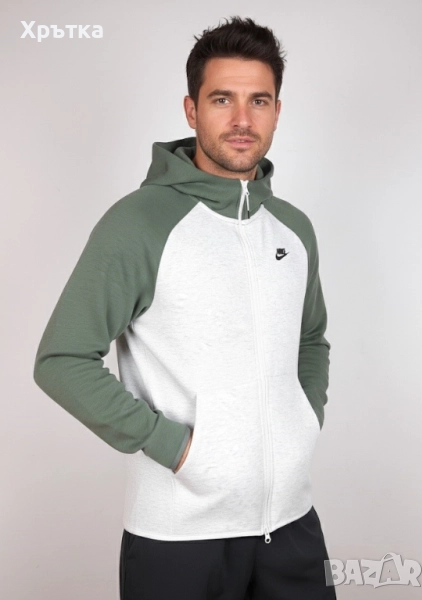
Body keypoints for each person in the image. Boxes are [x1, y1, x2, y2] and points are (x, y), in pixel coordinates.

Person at [33, 15, 336, 600]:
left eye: (259, 101)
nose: (242, 119)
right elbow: (61, 359)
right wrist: (178, 449)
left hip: (293, 525)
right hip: (177, 537)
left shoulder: (293, 229)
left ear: (277, 111)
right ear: (192, 110)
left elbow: (311, 337)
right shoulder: (139, 223)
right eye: (222, 99)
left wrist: (303, 420)